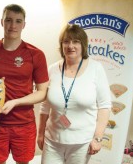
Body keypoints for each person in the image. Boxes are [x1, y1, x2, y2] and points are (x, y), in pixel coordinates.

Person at [0, 4, 49, 164]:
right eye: (8, 20)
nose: (13, 25)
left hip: (24, 123)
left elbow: (42, 92)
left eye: (18, 21)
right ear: (1, 22)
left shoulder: (35, 54)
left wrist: (15, 102)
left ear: (24, 24)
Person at [37, 24, 112, 164]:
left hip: (82, 144)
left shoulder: (96, 69)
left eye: (75, 41)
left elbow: (105, 106)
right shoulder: (52, 69)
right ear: (61, 45)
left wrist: (98, 137)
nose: (70, 46)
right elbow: (45, 106)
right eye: (66, 41)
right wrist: (40, 134)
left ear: (83, 44)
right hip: (52, 142)